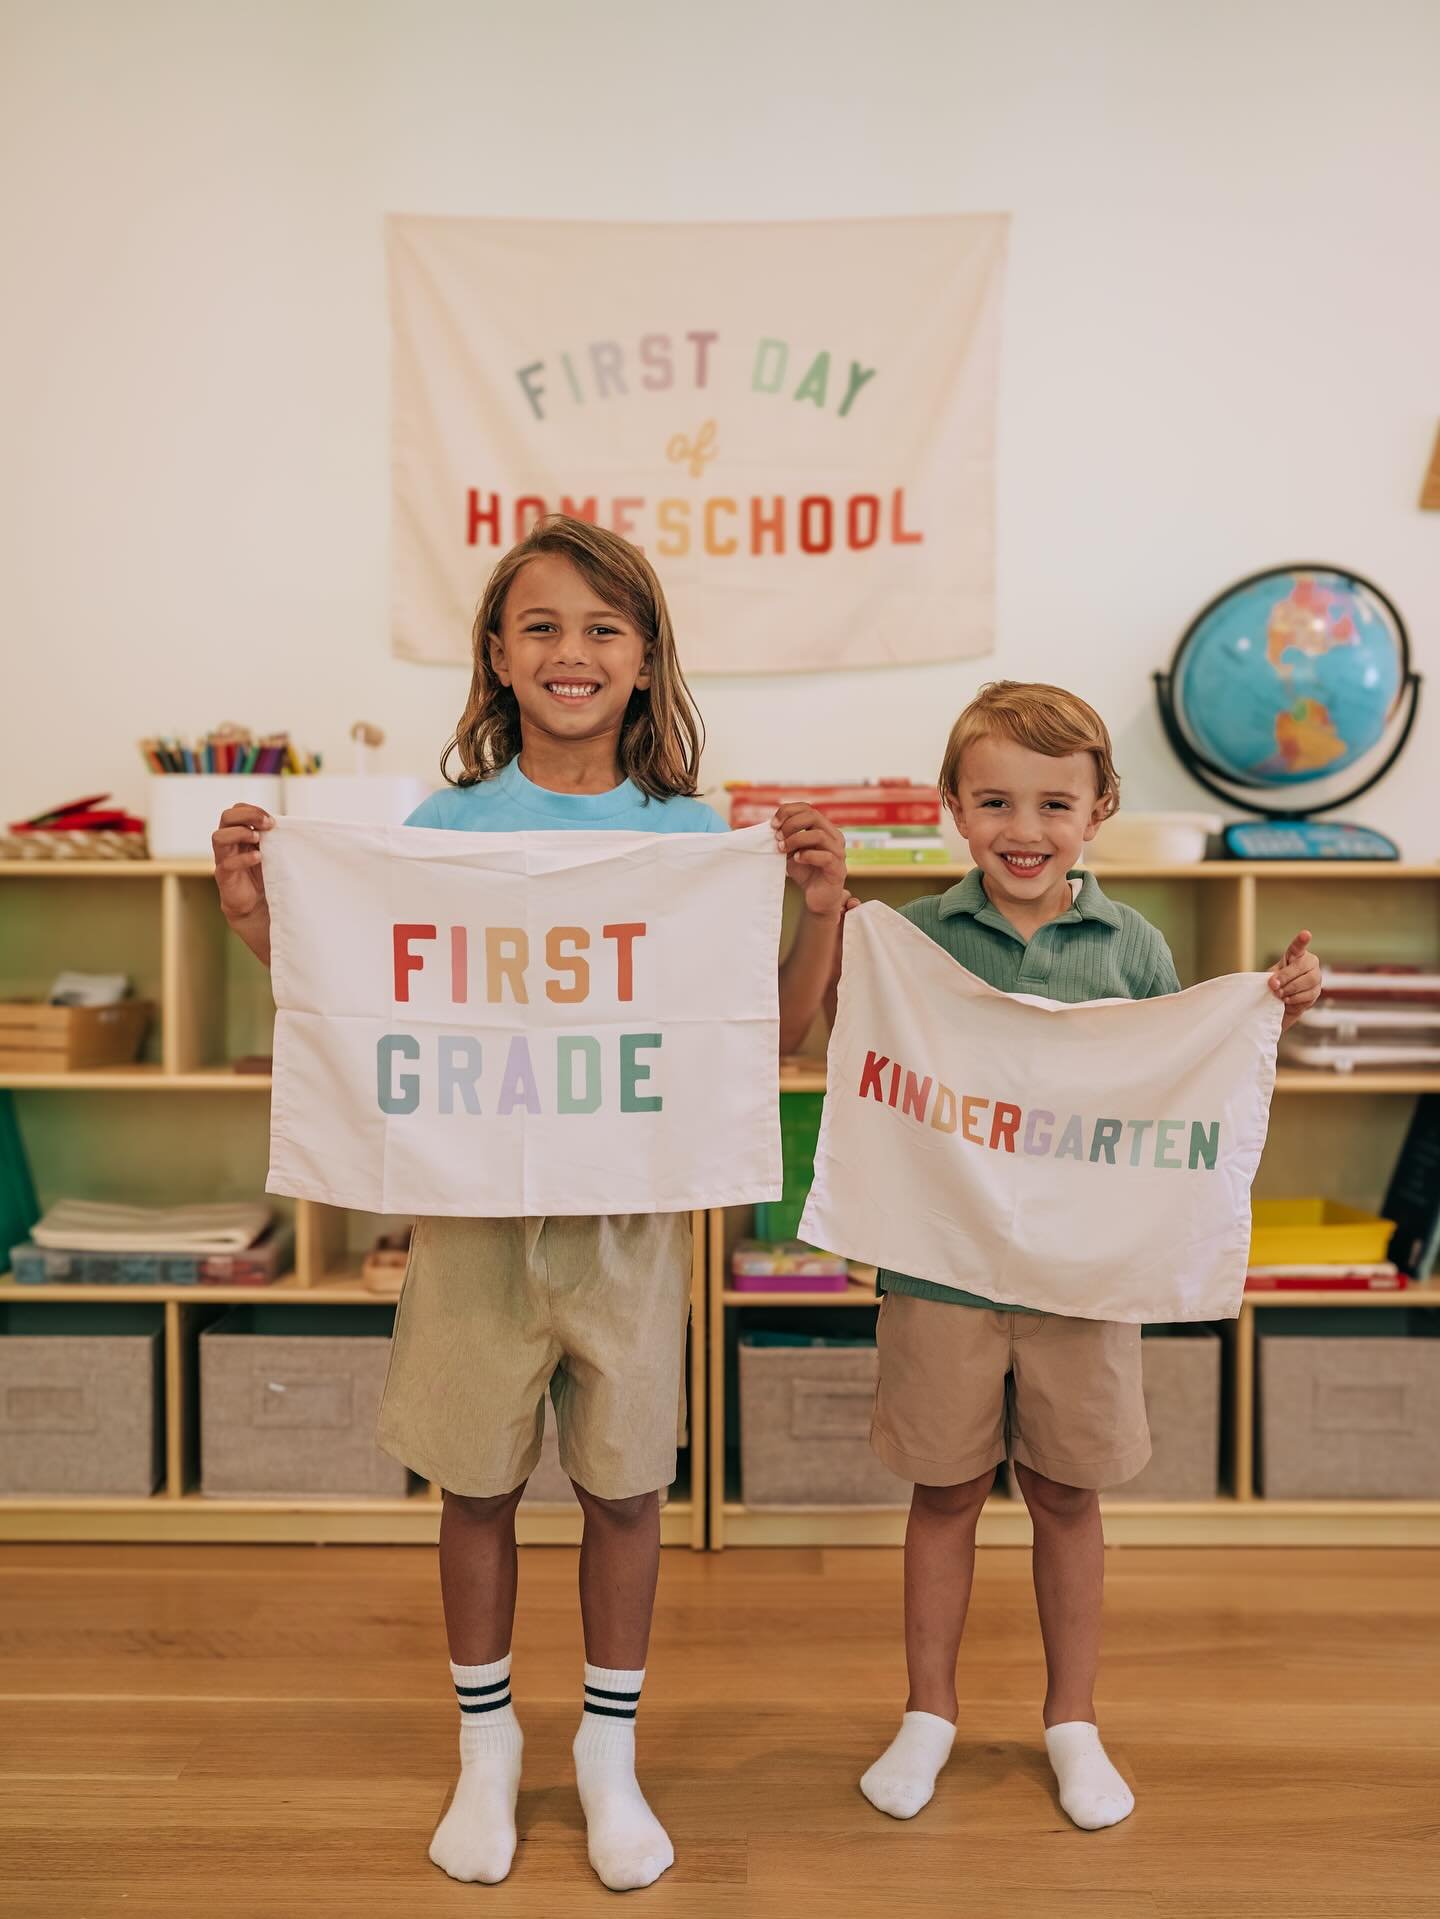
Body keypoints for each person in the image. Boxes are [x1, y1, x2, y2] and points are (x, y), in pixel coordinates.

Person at [211, 515, 846, 1892]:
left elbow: (769, 1043)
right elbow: (362, 1004)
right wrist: (268, 918)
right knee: (477, 1481)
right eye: (543, 625)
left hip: (628, 1234)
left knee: (626, 1488)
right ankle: (485, 1742)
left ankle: (608, 1752)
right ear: (498, 655)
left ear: (645, 657)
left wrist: (821, 908)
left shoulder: (692, 834)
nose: (573, 651)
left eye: (604, 628)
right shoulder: (445, 829)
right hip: (473, 1226)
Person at [851, 681, 1321, 1832]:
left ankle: (1073, 1719)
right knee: (945, 1489)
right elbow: (852, 1048)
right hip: (944, 1267)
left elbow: (1177, 1078)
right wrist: (828, 913)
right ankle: (928, 1711)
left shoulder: (1136, 943)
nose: (1026, 827)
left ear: (1099, 808)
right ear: (952, 809)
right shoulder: (909, 938)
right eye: (996, 800)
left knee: (1068, 1491)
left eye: (1055, 802)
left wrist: (1270, 1008)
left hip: (1086, 1277)